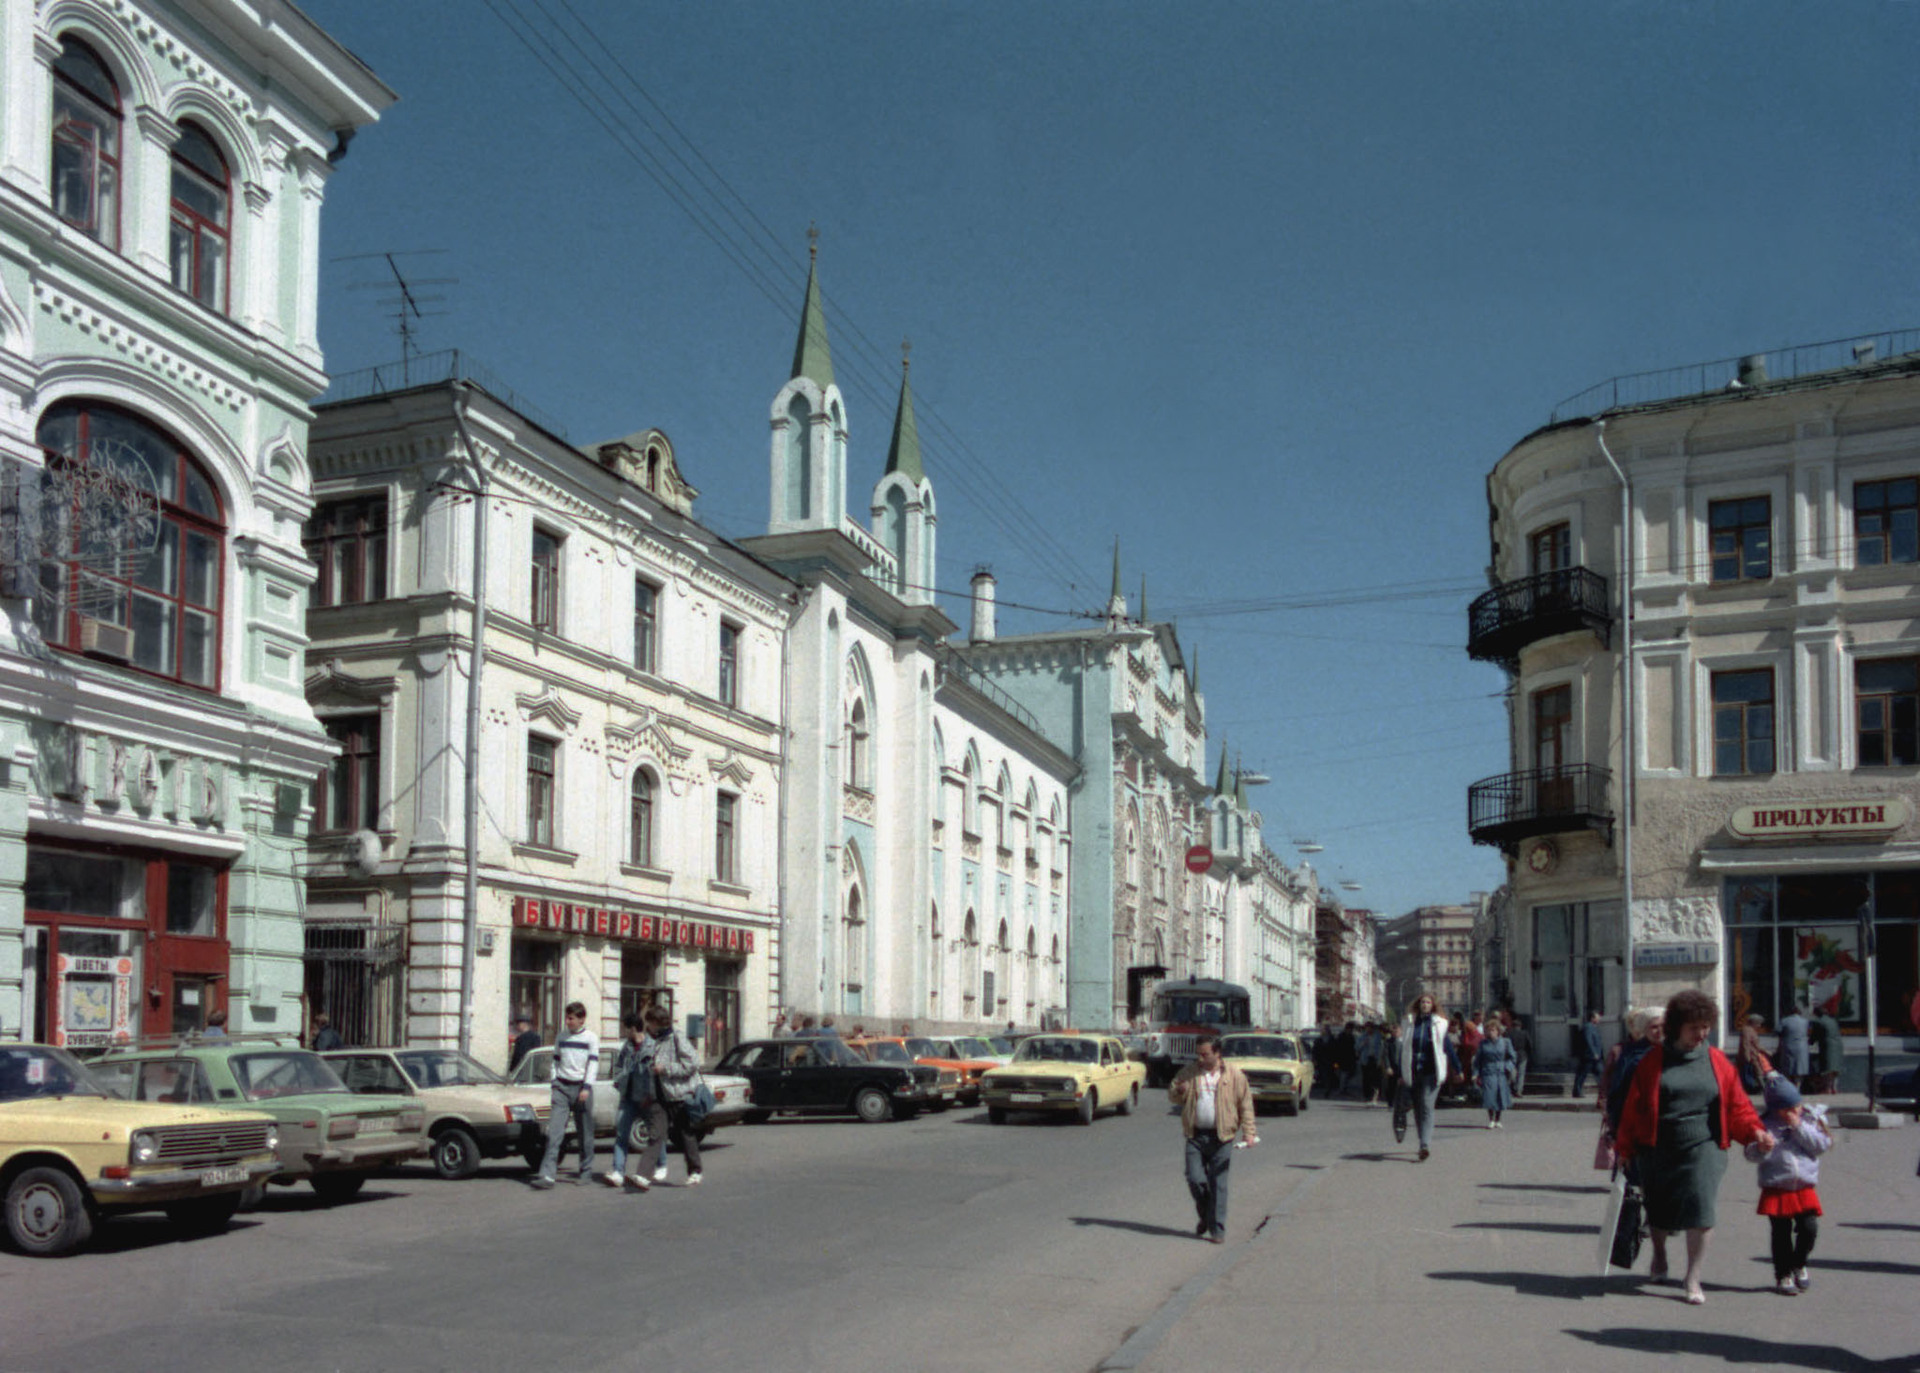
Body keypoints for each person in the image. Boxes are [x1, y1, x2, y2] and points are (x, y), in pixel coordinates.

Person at [1616, 990, 1775, 1306]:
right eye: (1694, 1028)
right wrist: (1625, 1147)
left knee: (1702, 1210)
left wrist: (1755, 1130)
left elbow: (1736, 1105)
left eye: (1705, 1027)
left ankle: (1692, 1276)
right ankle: (1660, 1256)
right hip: (1658, 1147)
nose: (1701, 1034)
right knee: (1658, 1211)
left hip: (1705, 1146)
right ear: (1677, 1027)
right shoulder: (1652, 1061)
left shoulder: (1716, 1060)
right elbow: (1634, 1107)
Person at [1745, 1074, 1832, 1296]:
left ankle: (1800, 1262)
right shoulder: (1765, 1125)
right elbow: (1751, 1153)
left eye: (1797, 1106)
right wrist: (1763, 1148)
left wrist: (1799, 1127)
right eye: (1788, 1109)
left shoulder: (1810, 1120)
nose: (1795, 1112)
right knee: (1781, 1233)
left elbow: (1822, 1145)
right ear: (1777, 1110)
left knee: (1809, 1228)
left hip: (1803, 1186)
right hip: (1777, 1186)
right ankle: (1783, 1273)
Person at [1167, 1034, 1257, 1243]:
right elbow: (1172, 1094)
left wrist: (1249, 1132)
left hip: (1222, 1137)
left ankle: (1217, 1230)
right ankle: (1207, 1216)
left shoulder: (1234, 1075)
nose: (1200, 1058)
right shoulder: (1190, 1073)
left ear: (1217, 1053)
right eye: (1198, 1054)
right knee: (1195, 1179)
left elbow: (1246, 1104)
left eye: (1205, 1054)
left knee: (1219, 1184)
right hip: (1195, 1136)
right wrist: (1179, 1091)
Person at [529, 1001, 598, 1189]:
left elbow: (592, 1064)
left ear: (582, 1019)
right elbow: (555, 1061)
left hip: (581, 1089)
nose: (568, 1021)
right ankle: (547, 1175)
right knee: (554, 1133)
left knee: (585, 1133)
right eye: (567, 1018)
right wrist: (554, 1082)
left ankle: (586, 1171)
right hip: (561, 1088)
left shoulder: (591, 1038)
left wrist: (586, 1087)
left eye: (572, 1018)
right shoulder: (561, 1037)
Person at [646, 1004, 705, 1186]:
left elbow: (693, 1063)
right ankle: (649, 1170)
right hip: (660, 1092)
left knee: (684, 1133)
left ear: (658, 1022)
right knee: (656, 1132)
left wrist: (665, 1069)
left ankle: (695, 1171)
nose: (648, 1026)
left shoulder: (676, 1037)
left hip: (678, 1093)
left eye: (650, 1023)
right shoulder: (656, 1039)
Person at [1395, 993, 1458, 1161]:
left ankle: (1425, 1145)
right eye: (1422, 1001)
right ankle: (1422, 1140)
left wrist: (1458, 1069)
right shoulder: (1409, 1023)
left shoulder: (1440, 1024)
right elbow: (1404, 1049)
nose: (1425, 1004)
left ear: (1433, 1005)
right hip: (1414, 1070)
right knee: (1418, 1107)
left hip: (1432, 1071)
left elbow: (1447, 1047)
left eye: (1428, 1002)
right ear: (1418, 1004)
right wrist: (1401, 1073)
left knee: (1427, 1106)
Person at [605, 1011, 662, 1193]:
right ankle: (618, 1172)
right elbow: (619, 1066)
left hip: (645, 1098)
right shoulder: (627, 1047)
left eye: (625, 1028)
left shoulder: (652, 1046)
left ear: (632, 1028)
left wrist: (651, 1096)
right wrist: (619, 1080)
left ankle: (660, 1166)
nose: (624, 1032)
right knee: (621, 1134)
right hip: (627, 1097)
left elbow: (654, 1075)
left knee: (654, 1134)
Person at [1473, 1016, 1515, 1128]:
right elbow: (1478, 1060)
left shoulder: (1505, 1042)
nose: (1491, 1032)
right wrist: (1475, 1073)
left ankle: (1498, 1119)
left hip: (1501, 1072)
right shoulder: (1483, 1044)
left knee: (1500, 1095)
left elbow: (1512, 1057)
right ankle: (1491, 1119)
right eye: (1489, 1030)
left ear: (1498, 1031)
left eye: (1493, 1030)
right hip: (1488, 1071)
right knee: (1489, 1095)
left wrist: (1508, 1067)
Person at [1775, 1005, 1811, 1088]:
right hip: (1802, 1047)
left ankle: (1789, 1087)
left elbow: (1777, 1031)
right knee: (1800, 1068)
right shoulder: (1805, 1021)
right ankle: (1797, 1087)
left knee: (1788, 1068)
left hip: (1788, 1046)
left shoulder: (1784, 1021)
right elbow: (1809, 1032)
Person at [1811, 1008, 1844, 1094]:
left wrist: (1810, 1042)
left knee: (1827, 1068)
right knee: (1835, 1068)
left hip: (1827, 1046)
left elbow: (1815, 1035)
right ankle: (1834, 1087)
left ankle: (1828, 1088)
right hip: (1838, 1045)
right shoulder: (1833, 1021)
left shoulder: (1819, 1021)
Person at [1572, 1010, 1603, 1098]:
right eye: (1597, 1017)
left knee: (1600, 1073)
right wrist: (1594, 1052)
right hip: (1589, 1056)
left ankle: (1605, 1091)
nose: (1599, 1019)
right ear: (1592, 1018)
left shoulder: (1593, 1027)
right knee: (1582, 1073)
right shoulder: (1588, 1027)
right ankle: (1577, 1091)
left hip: (1594, 1057)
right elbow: (1588, 1040)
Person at [1738, 1013, 1770, 1093]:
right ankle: (1762, 1089)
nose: (1759, 1026)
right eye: (1758, 1023)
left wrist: (1766, 1051)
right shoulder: (1746, 1030)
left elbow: (1756, 1045)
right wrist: (1747, 1056)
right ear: (1753, 1023)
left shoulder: (1752, 1031)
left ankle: (1762, 1088)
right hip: (1751, 1057)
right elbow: (1746, 1044)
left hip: (1754, 1055)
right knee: (1757, 1072)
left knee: (1759, 1072)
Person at [1358, 1022, 1385, 1106]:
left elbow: (1382, 1046)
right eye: (1367, 1028)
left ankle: (1375, 1096)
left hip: (1375, 1058)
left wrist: (1381, 1059)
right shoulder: (1362, 1036)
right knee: (1366, 1078)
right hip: (1366, 1059)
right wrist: (1363, 1043)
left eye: (1370, 1028)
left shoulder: (1378, 1036)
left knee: (1375, 1078)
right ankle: (1366, 1096)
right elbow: (1357, 1047)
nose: (1368, 1029)